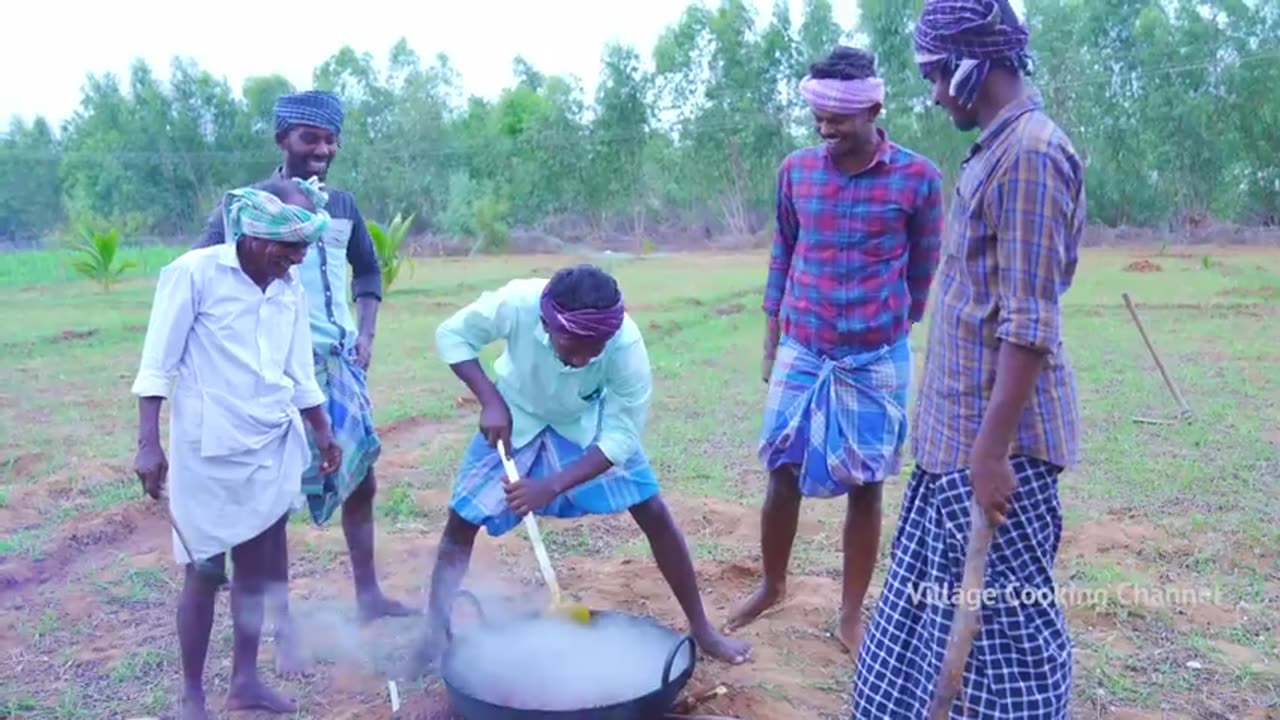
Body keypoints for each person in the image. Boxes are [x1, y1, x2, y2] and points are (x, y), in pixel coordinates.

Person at [853, 1, 1084, 717]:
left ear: (971, 63)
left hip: (993, 449)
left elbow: (1027, 322)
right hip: (956, 444)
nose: (933, 94)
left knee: (1004, 631)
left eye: (935, 76)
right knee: (935, 618)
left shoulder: (1032, 156)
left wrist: (990, 454)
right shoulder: (998, 146)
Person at [403, 264, 753, 675]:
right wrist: (490, 401)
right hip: (516, 414)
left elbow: (620, 439)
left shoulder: (625, 346)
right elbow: (452, 335)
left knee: (653, 511)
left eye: (596, 346)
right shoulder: (516, 303)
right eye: (572, 344)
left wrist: (551, 485)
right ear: (547, 322)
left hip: (585, 424)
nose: (584, 357)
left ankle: (702, 628)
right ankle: (434, 631)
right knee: (462, 519)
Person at [725, 46, 943, 655]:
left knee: (867, 484)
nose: (825, 129)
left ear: (873, 109)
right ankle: (772, 585)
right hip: (803, 346)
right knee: (781, 472)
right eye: (818, 117)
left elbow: (925, 267)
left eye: (838, 119)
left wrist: (893, 327)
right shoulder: (796, 171)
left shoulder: (919, 179)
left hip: (876, 356)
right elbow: (782, 255)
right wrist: (772, 340)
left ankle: (850, 613)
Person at [192, 89, 413, 675]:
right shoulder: (248, 205)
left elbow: (366, 269)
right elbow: (201, 270)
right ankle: (285, 630)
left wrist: (366, 333)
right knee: (274, 503)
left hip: (339, 363)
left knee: (360, 476)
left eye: (330, 138)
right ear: (282, 140)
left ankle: (368, 596)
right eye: (310, 137)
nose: (323, 149)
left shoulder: (342, 204)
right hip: (276, 371)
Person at [132, 177, 343, 720]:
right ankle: (191, 696)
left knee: (254, 568)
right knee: (204, 570)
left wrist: (323, 431)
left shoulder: (288, 289)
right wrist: (147, 443)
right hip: (208, 448)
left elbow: (299, 374)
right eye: (288, 246)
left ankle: (245, 682)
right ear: (252, 233)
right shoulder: (193, 274)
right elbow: (158, 364)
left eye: (303, 248)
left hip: (271, 442)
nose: (296, 259)